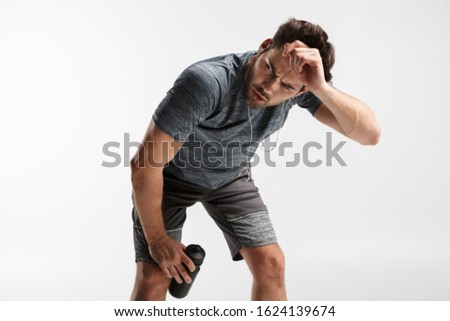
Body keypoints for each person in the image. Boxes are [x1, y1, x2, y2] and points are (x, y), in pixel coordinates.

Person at [129, 18, 380, 301]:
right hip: (169, 178)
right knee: (153, 277)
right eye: (269, 68)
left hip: (230, 178)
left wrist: (320, 87)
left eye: (286, 86)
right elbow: (145, 164)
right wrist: (159, 241)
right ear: (263, 48)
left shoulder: (301, 89)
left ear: (301, 91)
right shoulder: (207, 82)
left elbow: (369, 135)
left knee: (272, 265)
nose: (269, 87)